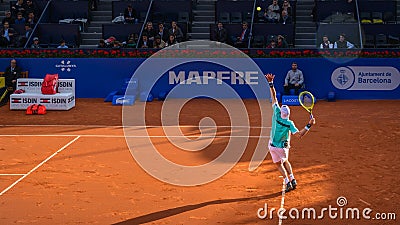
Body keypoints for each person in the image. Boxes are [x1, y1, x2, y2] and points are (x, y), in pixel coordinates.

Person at [265, 73, 316, 192]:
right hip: (283, 148)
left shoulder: (277, 112)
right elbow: (299, 135)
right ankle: (293, 179)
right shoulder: (290, 123)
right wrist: (309, 125)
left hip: (272, 146)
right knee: (286, 161)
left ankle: (287, 182)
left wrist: (271, 83)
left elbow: (274, 97)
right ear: (288, 115)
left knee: (278, 164)